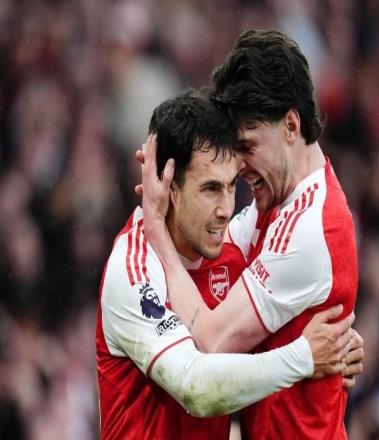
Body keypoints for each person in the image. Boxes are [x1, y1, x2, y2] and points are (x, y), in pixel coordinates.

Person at [96, 89, 358, 439]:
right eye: (210, 189)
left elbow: (293, 262)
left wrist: (338, 347)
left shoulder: (229, 249)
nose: (226, 208)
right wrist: (303, 357)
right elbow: (196, 388)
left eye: (231, 186)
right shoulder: (133, 270)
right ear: (168, 187)